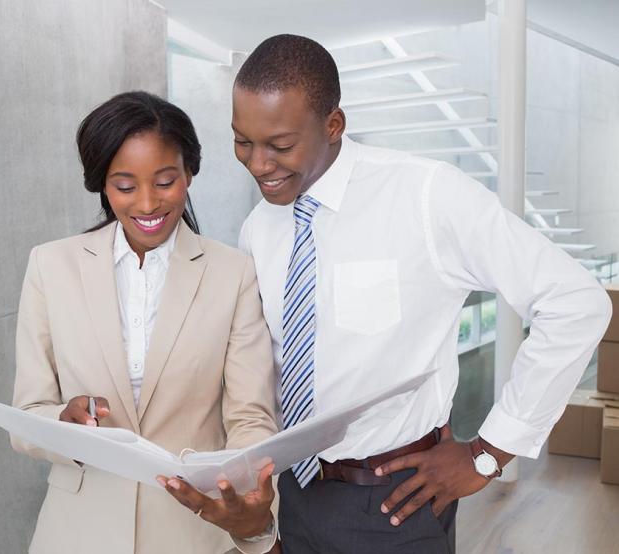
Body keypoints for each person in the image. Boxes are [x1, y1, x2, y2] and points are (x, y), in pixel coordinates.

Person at [228, 34, 611, 553]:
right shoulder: (258, 227)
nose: (257, 163)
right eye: (242, 141)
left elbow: (575, 302)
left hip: (394, 501)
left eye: (279, 145)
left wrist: (489, 451)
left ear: (333, 125)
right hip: (294, 496)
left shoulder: (426, 195)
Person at [11, 91, 279, 554]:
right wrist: (63, 421)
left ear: (189, 174)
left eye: (165, 180)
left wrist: (248, 488)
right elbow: (28, 415)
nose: (148, 203)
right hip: (76, 533)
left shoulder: (233, 273)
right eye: (125, 186)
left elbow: (250, 415)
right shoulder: (50, 266)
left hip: (194, 531)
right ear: (103, 186)